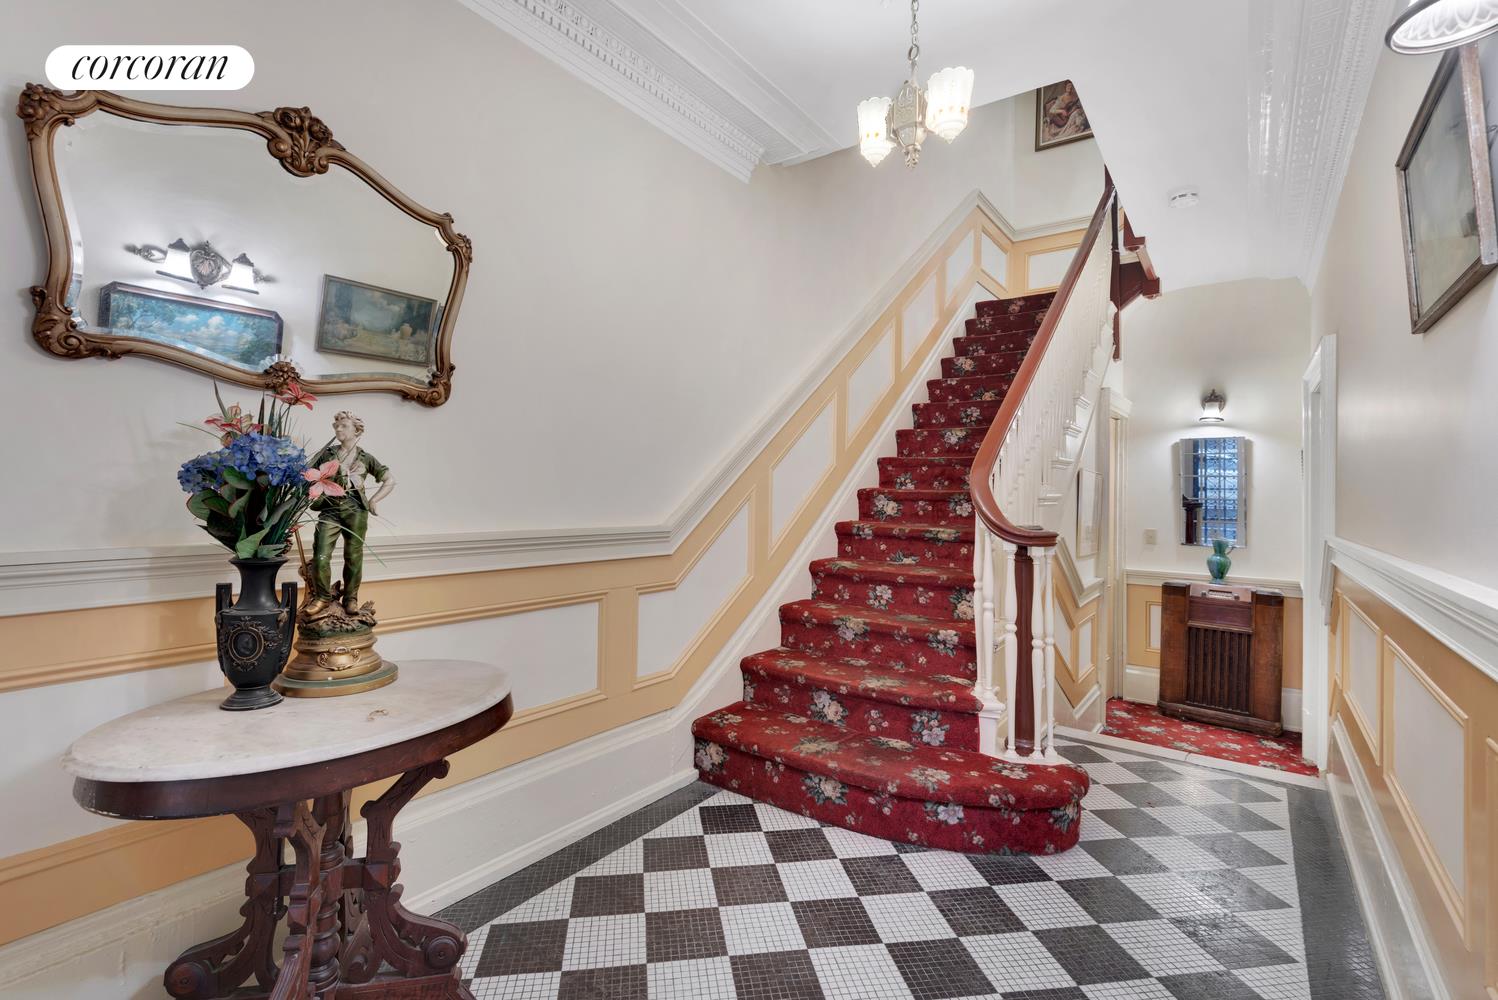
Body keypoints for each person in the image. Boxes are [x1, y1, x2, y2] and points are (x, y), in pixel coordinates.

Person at [301, 411, 395, 620]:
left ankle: (351, 598)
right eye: (336, 426)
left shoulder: (366, 458)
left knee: (353, 556)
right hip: (329, 510)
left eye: (343, 425)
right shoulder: (327, 454)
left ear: (356, 430)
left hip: (356, 511)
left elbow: (390, 480)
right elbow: (306, 475)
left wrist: (374, 500)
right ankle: (322, 597)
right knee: (321, 555)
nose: (338, 429)